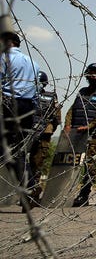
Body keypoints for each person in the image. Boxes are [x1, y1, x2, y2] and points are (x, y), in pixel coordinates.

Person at [63, 63, 96, 207]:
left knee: (89, 163)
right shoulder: (82, 92)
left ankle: (84, 193)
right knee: (70, 162)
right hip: (76, 133)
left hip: (95, 134)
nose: (94, 75)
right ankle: (64, 191)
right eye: (91, 73)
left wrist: (89, 127)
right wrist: (67, 125)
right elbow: (72, 109)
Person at [0, 30, 39, 211]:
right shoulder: (33, 63)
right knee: (19, 151)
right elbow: (37, 89)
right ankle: (30, 189)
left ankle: (29, 188)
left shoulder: (4, 58)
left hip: (9, 104)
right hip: (28, 107)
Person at [28, 71, 62, 206]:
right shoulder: (26, 95)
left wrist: (48, 130)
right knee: (24, 164)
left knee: (37, 164)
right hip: (27, 133)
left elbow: (57, 118)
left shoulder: (51, 97)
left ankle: (33, 193)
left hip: (43, 134)